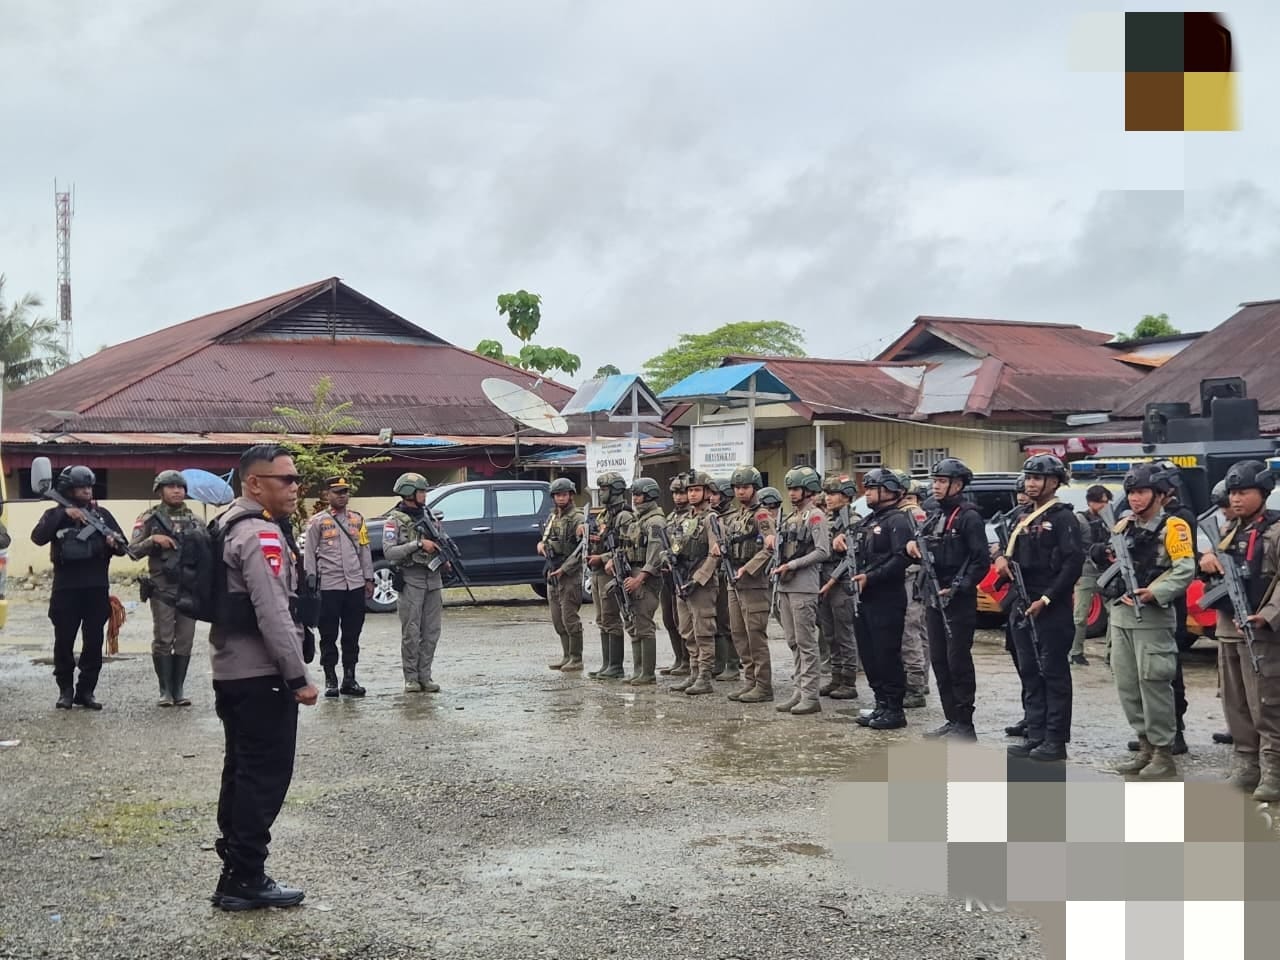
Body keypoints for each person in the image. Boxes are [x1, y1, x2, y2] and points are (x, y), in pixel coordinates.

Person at [209, 444, 318, 911]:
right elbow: (273, 610)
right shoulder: (259, 534)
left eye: (295, 480)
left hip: (232, 670)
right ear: (254, 483)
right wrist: (297, 676)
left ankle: (236, 866)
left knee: (241, 769)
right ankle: (245, 877)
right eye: (285, 480)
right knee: (264, 776)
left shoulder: (226, 522)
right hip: (262, 674)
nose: (295, 488)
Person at [1094, 463, 1195, 779]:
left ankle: (1164, 753)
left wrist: (1154, 592)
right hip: (1121, 615)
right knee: (1128, 685)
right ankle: (1145, 747)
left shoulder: (1174, 526)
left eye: (1141, 492)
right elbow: (1109, 560)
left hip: (1151, 616)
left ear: (1160, 494)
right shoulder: (1124, 526)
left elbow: (1184, 568)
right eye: (1131, 493)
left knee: (1154, 685)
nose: (1135, 499)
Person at [1199, 460, 1280, 800]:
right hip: (1227, 629)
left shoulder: (1275, 532)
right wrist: (1205, 562)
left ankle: (1273, 768)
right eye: (1232, 493)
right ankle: (1246, 762)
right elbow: (1212, 568)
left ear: (1263, 493)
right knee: (1236, 703)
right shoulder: (1229, 531)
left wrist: (1268, 614)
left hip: (1262, 631)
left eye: (1243, 492)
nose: (1236, 499)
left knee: (1267, 702)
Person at [998, 455, 1085, 761]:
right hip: (1022, 602)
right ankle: (1035, 734)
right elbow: (1005, 549)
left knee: (1054, 674)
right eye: (1029, 478)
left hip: (1051, 606)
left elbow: (1072, 563)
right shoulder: (1022, 515)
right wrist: (1000, 558)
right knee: (1030, 671)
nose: (1031, 483)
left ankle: (1055, 740)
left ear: (1054, 482)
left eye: (1038, 478)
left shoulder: (1063, 519)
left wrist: (1047, 598)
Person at [31, 464, 127, 710]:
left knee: (93, 642)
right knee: (64, 642)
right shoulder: (55, 513)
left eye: (88, 486)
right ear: (68, 489)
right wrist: (65, 515)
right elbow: (38, 537)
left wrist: (112, 542)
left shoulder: (102, 514)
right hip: (66, 590)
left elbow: (122, 546)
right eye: (80, 487)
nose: (86, 491)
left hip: (96, 588)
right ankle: (65, 690)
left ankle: (86, 691)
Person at [907, 458, 990, 740]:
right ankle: (951, 719)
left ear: (958, 485)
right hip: (933, 595)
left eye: (942, 482)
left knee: (958, 662)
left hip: (957, 599)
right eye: (936, 481)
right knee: (940, 661)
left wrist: (960, 586)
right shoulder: (935, 515)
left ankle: (965, 724)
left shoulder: (969, 517)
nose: (936, 486)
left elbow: (980, 561)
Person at [128, 469, 203, 707]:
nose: (177, 490)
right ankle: (165, 690)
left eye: (180, 487)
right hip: (162, 587)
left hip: (189, 588)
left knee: (185, 639)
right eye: (170, 486)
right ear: (159, 491)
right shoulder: (149, 518)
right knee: (163, 638)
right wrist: (153, 541)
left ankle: (178, 689)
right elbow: (132, 551)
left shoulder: (194, 520)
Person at [848, 469, 914, 729]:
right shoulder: (869, 520)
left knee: (887, 654)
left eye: (872, 488)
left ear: (887, 490)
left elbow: (901, 558)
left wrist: (871, 577)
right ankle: (881, 703)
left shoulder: (898, 520)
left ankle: (895, 709)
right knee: (870, 654)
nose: (867, 493)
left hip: (886, 597)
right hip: (864, 598)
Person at [302, 476, 374, 698]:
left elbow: (365, 550)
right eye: (337, 492)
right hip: (329, 586)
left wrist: (368, 578)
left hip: (354, 585)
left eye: (345, 492)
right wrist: (311, 580)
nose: (342, 496)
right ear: (326, 495)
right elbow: (309, 555)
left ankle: (349, 678)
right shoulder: (317, 522)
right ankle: (330, 678)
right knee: (328, 634)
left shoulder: (357, 520)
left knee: (352, 634)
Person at [771, 467, 831, 715]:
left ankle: (810, 695)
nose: (792, 494)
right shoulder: (790, 517)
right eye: (791, 489)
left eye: (796, 489)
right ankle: (799, 691)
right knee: (793, 642)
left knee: (806, 643)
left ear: (808, 490)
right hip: (785, 584)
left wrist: (792, 564)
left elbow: (823, 551)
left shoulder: (815, 516)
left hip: (804, 586)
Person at [382, 473, 445, 693]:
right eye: (421, 491)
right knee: (411, 631)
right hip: (411, 580)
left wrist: (444, 558)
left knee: (432, 632)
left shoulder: (429, 515)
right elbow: (389, 553)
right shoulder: (394, 520)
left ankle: (425, 676)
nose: (425, 495)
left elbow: (440, 540)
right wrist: (417, 545)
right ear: (410, 493)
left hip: (433, 580)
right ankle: (411, 677)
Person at [721, 471, 778, 703]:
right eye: (736, 487)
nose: (740, 491)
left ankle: (763, 686)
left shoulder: (762, 515)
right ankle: (750, 681)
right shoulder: (737, 516)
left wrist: (748, 568)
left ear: (754, 488)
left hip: (753, 582)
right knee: (738, 633)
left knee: (755, 635)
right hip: (734, 580)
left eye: (745, 487)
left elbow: (770, 546)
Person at [666, 472, 721, 694]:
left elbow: (715, 553)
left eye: (696, 490)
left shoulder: (711, 519)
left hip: (701, 583)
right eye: (689, 490)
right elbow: (673, 546)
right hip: (682, 578)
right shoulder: (683, 519)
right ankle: (693, 672)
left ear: (707, 493)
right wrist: (668, 558)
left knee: (703, 631)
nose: (691, 494)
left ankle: (705, 677)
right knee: (686, 630)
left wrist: (698, 580)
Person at [614, 477, 666, 685]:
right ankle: (638, 670)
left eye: (639, 495)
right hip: (631, 573)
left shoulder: (655, 522)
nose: (635, 499)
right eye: (633, 495)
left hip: (646, 578)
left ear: (650, 496)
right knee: (633, 623)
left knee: (644, 625)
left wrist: (640, 578)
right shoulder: (637, 520)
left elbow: (655, 554)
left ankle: (648, 673)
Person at [817, 474, 860, 700]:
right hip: (823, 579)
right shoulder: (826, 519)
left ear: (847, 496)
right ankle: (835, 676)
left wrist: (832, 580)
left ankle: (849, 681)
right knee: (829, 633)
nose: (828, 498)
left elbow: (851, 557)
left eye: (833, 494)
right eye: (827, 493)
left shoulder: (853, 521)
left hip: (841, 582)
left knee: (844, 634)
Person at [587, 472, 633, 680]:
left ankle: (616, 665)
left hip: (611, 570)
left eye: (605, 489)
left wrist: (603, 556)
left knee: (611, 618)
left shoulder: (624, 515)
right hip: (598, 571)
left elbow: (625, 546)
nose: (602, 493)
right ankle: (607, 664)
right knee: (602, 618)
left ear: (615, 490)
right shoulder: (604, 514)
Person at [539, 477, 586, 672]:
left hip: (569, 573)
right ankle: (566, 655)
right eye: (557, 495)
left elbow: (582, 549)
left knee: (569, 618)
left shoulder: (577, 518)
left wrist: (565, 569)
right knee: (558, 620)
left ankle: (576, 658)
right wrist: (541, 544)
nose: (560, 498)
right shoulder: (553, 518)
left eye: (564, 494)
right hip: (552, 571)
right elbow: (546, 539)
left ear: (571, 496)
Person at [894, 472, 930, 709]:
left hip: (912, 577)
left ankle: (916, 685)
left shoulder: (912, 512)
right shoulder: (903, 513)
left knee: (911, 631)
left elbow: (921, 546)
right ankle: (920, 680)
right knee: (918, 631)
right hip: (911, 577)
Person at [1070, 485, 1112, 667]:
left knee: (1114, 613)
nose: (1106, 505)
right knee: (1080, 615)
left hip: (1106, 571)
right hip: (1085, 571)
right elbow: (1073, 549)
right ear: (1091, 502)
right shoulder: (1080, 520)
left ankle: (1112, 653)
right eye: (1102, 501)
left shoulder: (1108, 520)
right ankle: (1075, 652)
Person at [708, 478, 742, 682]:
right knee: (718, 620)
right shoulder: (714, 517)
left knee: (729, 621)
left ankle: (732, 663)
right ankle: (719, 662)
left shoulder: (734, 518)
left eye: (715, 493)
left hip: (729, 573)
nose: (711, 497)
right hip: (715, 572)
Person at [659, 475, 691, 676]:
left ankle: (688, 660)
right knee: (669, 619)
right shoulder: (670, 517)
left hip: (684, 573)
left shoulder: (692, 517)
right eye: (675, 493)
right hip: (667, 574)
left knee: (684, 621)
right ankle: (679, 658)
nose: (678, 497)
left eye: (682, 493)